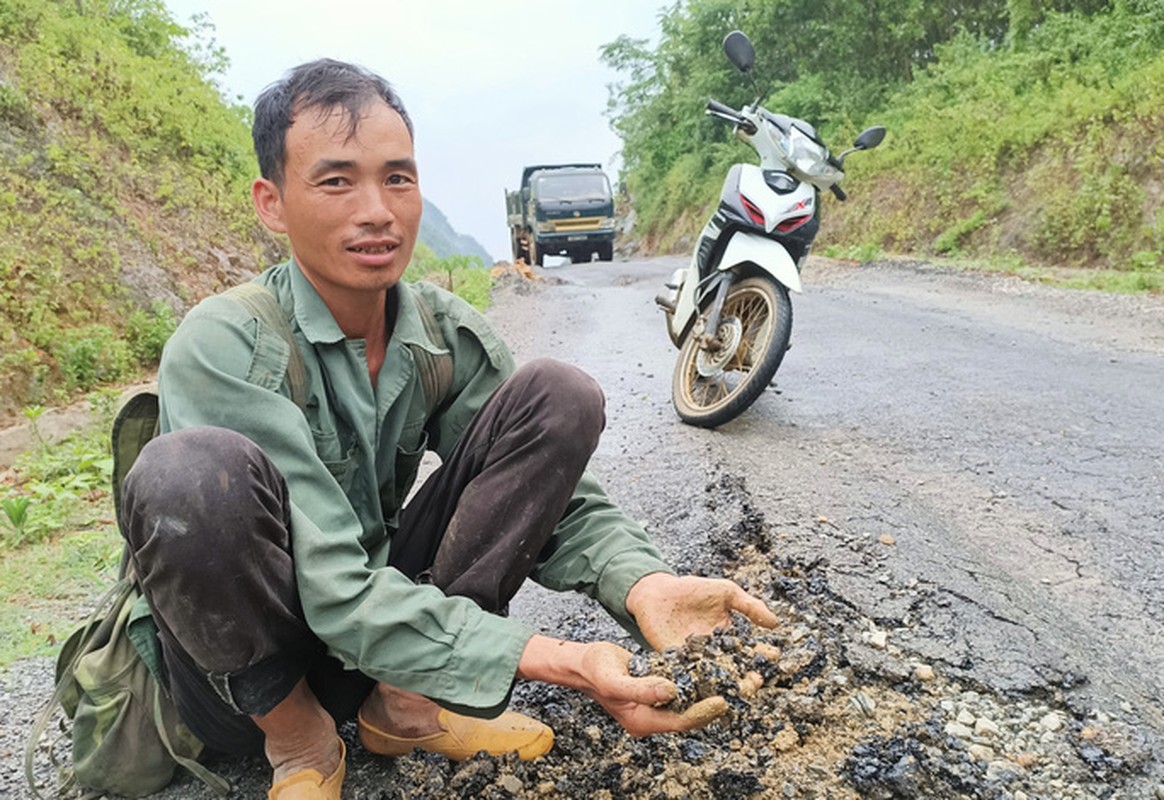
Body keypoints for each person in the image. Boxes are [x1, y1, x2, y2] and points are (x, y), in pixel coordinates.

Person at [120, 58, 778, 800]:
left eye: (397, 178)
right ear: (271, 204)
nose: (378, 210)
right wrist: (553, 656)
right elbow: (332, 587)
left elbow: (558, 502)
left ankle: (406, 705)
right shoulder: (225, 344)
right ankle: (301, 744)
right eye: (337, 181)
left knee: (557, 396)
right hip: (246, 672)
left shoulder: (438, 330)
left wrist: (644, 584)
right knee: (185, 474)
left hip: (386, 648)